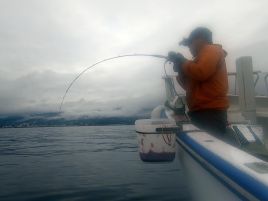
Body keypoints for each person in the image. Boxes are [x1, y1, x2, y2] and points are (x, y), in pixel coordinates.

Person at [167, 27, 229, 139]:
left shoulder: (211, 50)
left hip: (211, 113)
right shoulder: (199, 59)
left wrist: (183, 62)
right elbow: (188, 86)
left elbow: (201, 72)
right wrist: (181, 68)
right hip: (200, 113)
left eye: (190, 43)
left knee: (212, 147)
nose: (189, 47)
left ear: (200, 39)